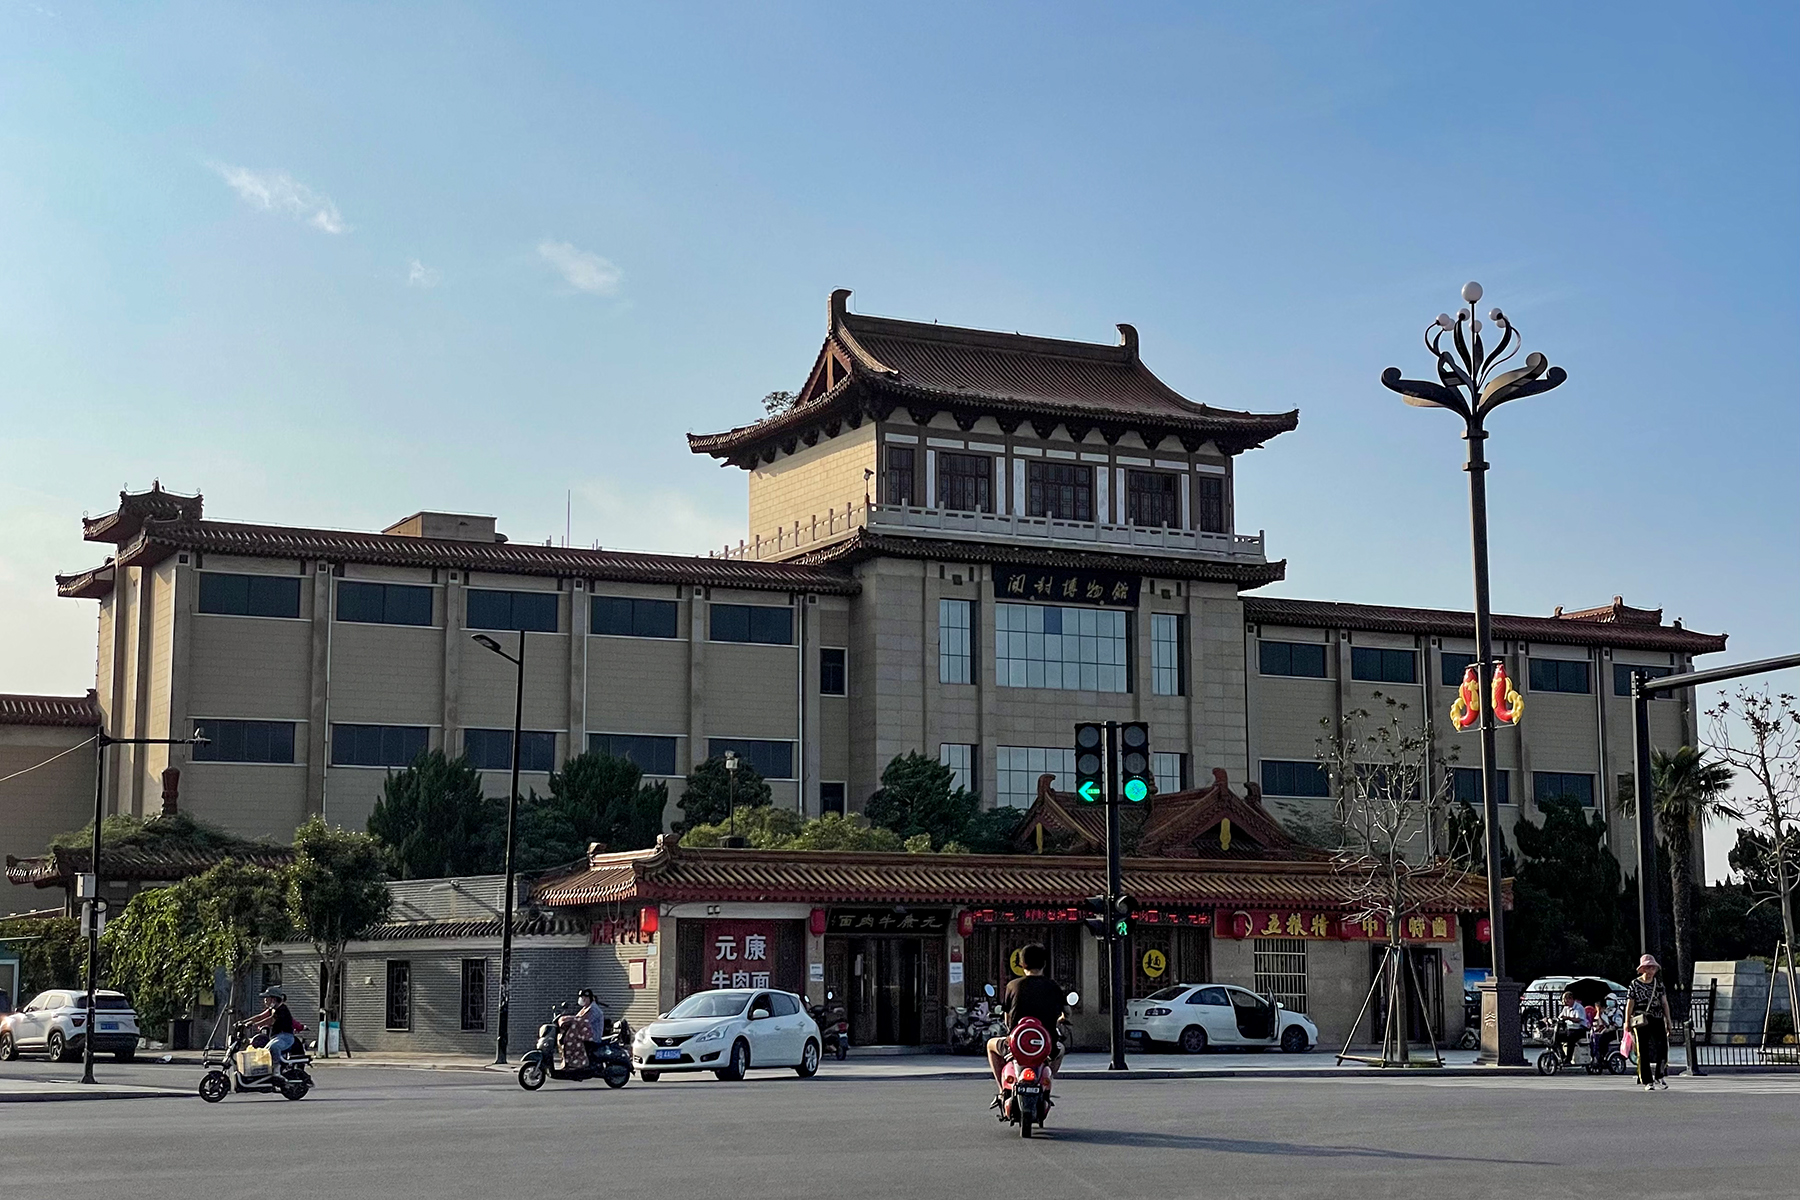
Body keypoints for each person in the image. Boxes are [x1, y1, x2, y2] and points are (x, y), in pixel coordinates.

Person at [987, 943, 1067, 1094]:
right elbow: (1065, 1011)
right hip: (1046, 1046)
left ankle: (1002, 1090)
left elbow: (1007, 1018)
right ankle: (1045, 1085)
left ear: (1022, 964)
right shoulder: (1053, 986)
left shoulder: (1013, 986)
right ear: (1044, 963)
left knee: (991, 1045)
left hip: (1015, 1046)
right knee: (1061, 1049)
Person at [1623, 954, 1675, 1091]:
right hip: (1641, 1019)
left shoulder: (1659, 985)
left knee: (1662, 1047)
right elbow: (1630, 1003)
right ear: (1643, 969)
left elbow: (1664, 1003)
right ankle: (1647, 1080)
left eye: (1653, 968)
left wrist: (1668, 1021)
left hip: (1657, 1018)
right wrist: (1626, 1021)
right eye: (1648, 967)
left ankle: (1659, 1075)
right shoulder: (1635, 984)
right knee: (1643, 1050)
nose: (1651, 970)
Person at [247, 986, 296, 1069]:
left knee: (273, 1047)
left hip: (285, 1037)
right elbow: (259, 1016)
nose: (265, 1000)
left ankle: (276, 1069)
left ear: (274, 999)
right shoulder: (272, 1009)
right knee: (264, 1050)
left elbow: (271, 1020)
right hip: (276, 1037)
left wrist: (254, 1025)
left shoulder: (282, 1009)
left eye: (267, 998)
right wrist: (243, 1022)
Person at [1554, 989, 1591, 1063]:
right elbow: (1560, 1017)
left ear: (1571, 999)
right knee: (1556, 1038)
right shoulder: (1566, 1008)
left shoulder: (1579, 1007)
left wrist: (1568, 1018)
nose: (1565, 1002)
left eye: (1566, 1000)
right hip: (1570, 1028)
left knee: (1571, 1038)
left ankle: (1568, 1059)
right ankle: (1562, 1056)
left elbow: (1578, 1019)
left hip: (1581, 1029)